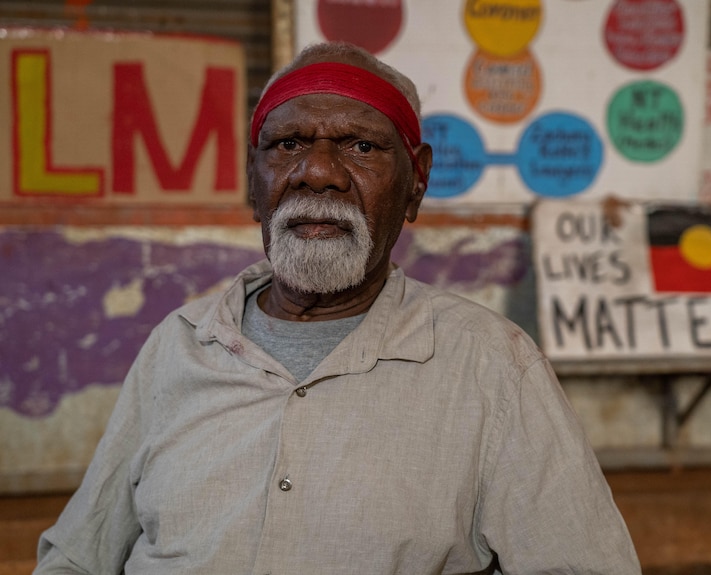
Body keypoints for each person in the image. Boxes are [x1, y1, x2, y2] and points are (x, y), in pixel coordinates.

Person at [34, 42, 641, 574]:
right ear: (254, 184)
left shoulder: (491, 365)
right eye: (288, 143)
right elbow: (77, 557)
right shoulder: (180, 344)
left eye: (360, 146)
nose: (317, 172)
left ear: (417, 182)